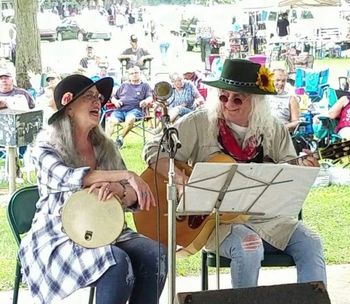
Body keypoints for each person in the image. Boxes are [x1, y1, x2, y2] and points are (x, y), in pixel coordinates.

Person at [143, 59, 326, 289]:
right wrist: (181, 180)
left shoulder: (274, 129)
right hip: (215, 222)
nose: (229, 103)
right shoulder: (199, 123)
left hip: (265, 218)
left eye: (238, 98)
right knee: (249, 246)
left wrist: (302, 170)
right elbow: (153, 150)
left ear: (257, 102)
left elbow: (288, 175)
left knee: (310, 242)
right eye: (223, 96)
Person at [18, 74, 167, 304]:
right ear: (68, 107)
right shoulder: (45, 146)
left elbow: (133, 196)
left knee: (155, 254)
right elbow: (68, 177)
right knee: (116, 263)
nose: (97, 102)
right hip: (60, 235)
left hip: (108, 230)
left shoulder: (104, 147)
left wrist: (118, 189)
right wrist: (126, 175)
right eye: (88, 96)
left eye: (98, 97)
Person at [106, 66, 153, 148]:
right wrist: (116, 102)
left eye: (136, 73)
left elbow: (150, 97)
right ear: (129, 75)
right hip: (120, 110)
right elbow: (113, 97)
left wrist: (145, 101)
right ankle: (106, 143)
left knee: (130, 118)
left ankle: (120, 139)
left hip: (135, 110)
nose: (134, 75)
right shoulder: (124, 85)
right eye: (132, 73)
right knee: (110, 121)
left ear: (140, 74)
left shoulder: (145, 86)